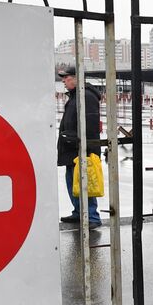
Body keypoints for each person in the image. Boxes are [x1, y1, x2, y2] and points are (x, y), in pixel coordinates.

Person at [57, 65, 102, 229]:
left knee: (85, 184)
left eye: (66, 77)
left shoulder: (86, 96)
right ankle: (79, 212)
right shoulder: (76, 96)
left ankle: (92, 217)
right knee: (73, 183)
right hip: (72, 149)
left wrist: (84, 147)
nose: (63, 81)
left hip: (82, 150)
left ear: (77, 78)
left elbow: (90, 126)